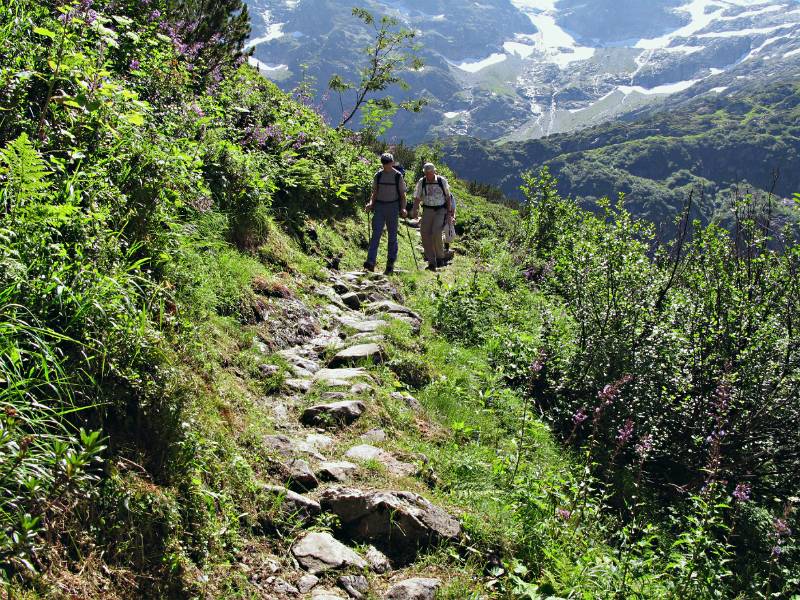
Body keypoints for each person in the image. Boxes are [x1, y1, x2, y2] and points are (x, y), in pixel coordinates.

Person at [364, 152, 407, 274]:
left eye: (388, 163)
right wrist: (371, 204)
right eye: (384, 163)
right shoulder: (378, 175)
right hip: (379, 207)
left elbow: (403, 195)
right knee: (375, 235)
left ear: (392, 162)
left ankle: (390, 264)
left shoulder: (398, 176)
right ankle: (370, 262)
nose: (386, 165)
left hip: (393, 207)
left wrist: (403, 208)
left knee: (392, 236)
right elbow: (374, 193)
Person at [412, 163, 453, 271]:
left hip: (440, 210)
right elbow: (417, 197)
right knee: (424, 233)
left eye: (430, 173)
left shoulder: (441, 181)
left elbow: (448, 197)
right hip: (427, 210)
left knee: (436, 232)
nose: (428, 175)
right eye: (426, 173)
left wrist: (449, 213)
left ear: (434, 171)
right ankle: (431, 262)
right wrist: (415, 209)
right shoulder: (422, 181)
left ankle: (440, 257)